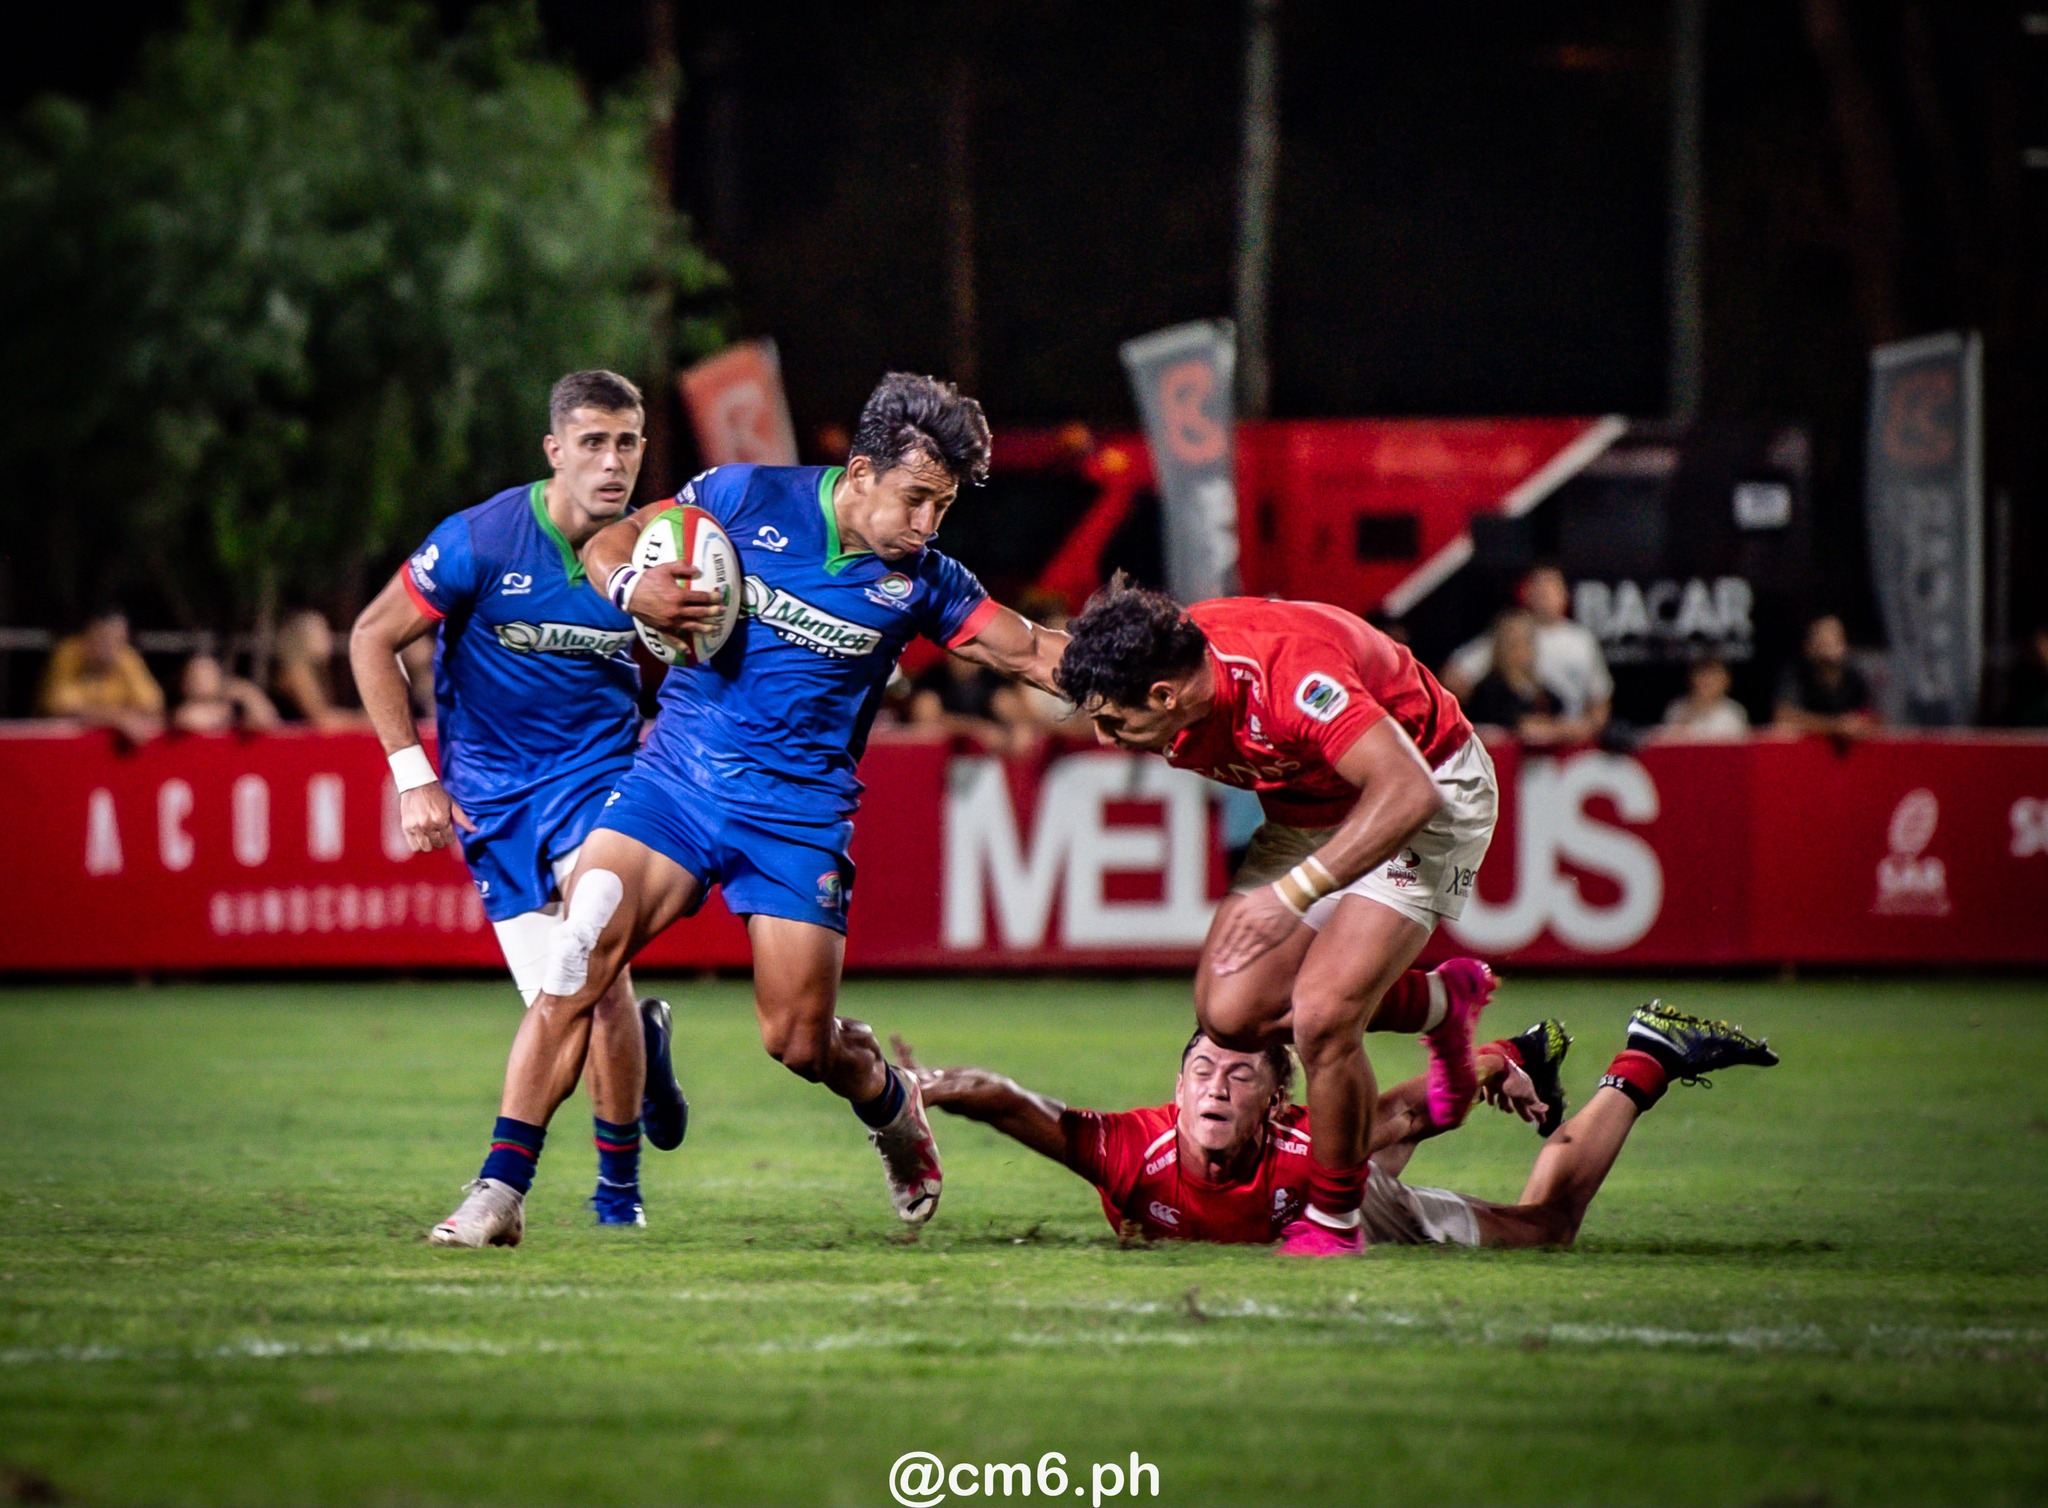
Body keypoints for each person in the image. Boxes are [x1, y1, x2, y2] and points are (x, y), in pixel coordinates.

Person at [428, 373, 1070, 1248]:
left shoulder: (925, 580)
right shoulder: (741, 495)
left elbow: (1031, 652)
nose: (926, 526)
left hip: (796, 819)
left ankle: (890, 1101)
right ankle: (498, 1193)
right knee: (575, 957)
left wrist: (1162, 670)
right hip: (676, 785)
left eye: (943, 508)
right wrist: (630, 590)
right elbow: (614, 539)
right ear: (862, 470)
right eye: (916, 499)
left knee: (799, 1042)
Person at [1053, 577, 1501, 1257]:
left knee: (1323, 1017)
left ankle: (1334, 1221)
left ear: (1165, 697)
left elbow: (1407, 791)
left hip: (1424, 789)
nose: (1106, 738)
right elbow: (1024, 649)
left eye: (1115, 721)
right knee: (1230, 1015)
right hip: (1310, 799)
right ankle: (1442, 1000)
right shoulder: (1155, 666)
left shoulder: (1289, 680)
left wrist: (1294, 894)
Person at [352, 370, 688, 1230]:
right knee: (565, 998)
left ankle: (612, 1196)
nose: (611, 462)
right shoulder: (481, 539)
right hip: (496, 805)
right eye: (592, 443)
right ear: (556, 450)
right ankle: (646, 1054)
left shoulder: (657, 553)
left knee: (588, 968)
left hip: (605, 783)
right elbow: (371, 636)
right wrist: (412, 773)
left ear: (643, 448)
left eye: (626, 443)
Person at [894, 1002, 1778, 1249]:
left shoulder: (1304, 1142)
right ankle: (1515, 1049)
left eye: (1240, 1075)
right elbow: (1005, 1097)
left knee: (1545, 1228)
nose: (1215, 1085)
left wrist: (1483, 1069)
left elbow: (1408, 1109)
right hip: (1308, 1184)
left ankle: (1644, 1059)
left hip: (1349, 1199)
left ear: (1275, 1102)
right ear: (1176, 1085)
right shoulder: (1134, 1148)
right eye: (1201, 1069)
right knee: (1388, 1123)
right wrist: (912, 1092)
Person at [1443, 564, 1612, 740]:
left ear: (1565, 594)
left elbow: (1599, 703)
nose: (1544, 592)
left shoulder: (1581, 640)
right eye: (1538, 586)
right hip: (1515, 745)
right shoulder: (1511, 632)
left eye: (1551, 586)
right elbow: (1454, 679)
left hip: (1570, 742)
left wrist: (1576, 729)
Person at [36, 609, 165, 744]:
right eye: (104, 638)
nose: (111, 647)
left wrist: (102, 715)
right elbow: (61, 706)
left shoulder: (125, 656)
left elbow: (152, 704)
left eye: (119, 639)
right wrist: (118, 718)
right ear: (87, 637)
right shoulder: (68, 654)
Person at [1463, 609, 1573, 745]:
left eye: (1526, 641)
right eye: (1513, 642)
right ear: (1500, 646)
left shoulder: (1541, 689)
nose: (1520, 649)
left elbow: (1561, 712)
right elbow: (1519, 726)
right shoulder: (1489, 689)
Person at [1772, 614, 1876, 736]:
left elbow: (1874, 716)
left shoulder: (1855, 674)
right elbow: (1783, 716)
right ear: (1808, 648)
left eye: (1835, 639)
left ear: (1845, 645)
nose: (1829, 645)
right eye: (1822, 641)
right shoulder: (1797, 672)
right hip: (1808, 750)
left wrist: (1857, 724)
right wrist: (1834, 726)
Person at [272, 610, 371, 730]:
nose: (327, 638)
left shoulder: (313, 672)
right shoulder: (295, 671)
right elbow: (321, 719)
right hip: (286, 741)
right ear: (300, 639)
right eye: (317, 632)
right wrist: (362, 720)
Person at [172, 652, 279, 733]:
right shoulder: (183, 712)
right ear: (184, 683)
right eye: (195, 676)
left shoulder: (234, 707)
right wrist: (220, 715)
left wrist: (248, 693)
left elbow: (267, 722)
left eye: (208, 674)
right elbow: (188, 720)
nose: (201, 681)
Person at [1659, 655, 1749, 741]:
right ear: (1691, 678)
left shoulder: (1735, 712)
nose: (1707, 681)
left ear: (1726, 681)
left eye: (1714, 676)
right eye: (1702, 675)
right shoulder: (1676, 710)